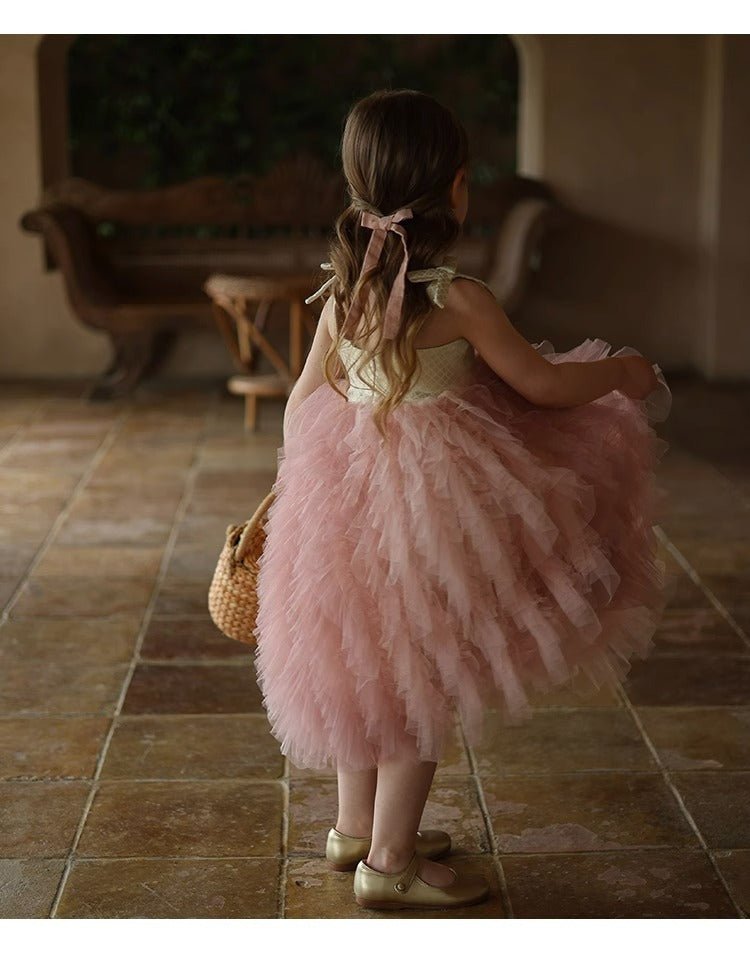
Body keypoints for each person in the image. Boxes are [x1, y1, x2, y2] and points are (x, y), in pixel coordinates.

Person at [252, 89, 672, 911]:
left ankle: (351, 827)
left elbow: (307, 399)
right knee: (425, 671)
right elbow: (545, 384)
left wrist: (294, 488)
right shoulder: (459, 299)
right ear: (456, 188)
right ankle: (391, 860)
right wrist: (620, 373)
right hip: (436, 513)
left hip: (345, 499)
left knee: (364, 660)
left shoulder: (345, 289)